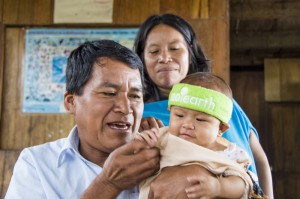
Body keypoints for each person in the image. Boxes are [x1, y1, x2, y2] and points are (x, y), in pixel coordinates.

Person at [133, 13, 274, 199]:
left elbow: (259, 159)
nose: (165, 58)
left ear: (190, 54)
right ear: (142, 59)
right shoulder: (139, 115)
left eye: (175, 48)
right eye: (154, 51)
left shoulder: (222, 102)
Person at [5, 40, 161, 199]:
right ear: (71, 102)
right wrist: (108, 184)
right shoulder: (37, 163)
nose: (126, 108)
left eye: (135, 96)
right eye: (109, 93)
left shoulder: (164, 157)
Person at [135, 72, 267, 199]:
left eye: (200, 120)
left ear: (221, 128)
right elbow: (137, 150)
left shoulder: (228, 153)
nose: (187, 125)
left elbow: (243, 184)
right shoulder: (163, 136)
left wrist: (218, 187)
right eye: (179, 115)